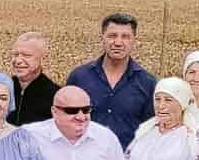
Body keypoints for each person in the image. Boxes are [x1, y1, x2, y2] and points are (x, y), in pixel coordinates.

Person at [63, 13, 153, 148]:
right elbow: (64, 121)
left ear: (134, 40)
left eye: (125, 37)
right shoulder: (79, 77)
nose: (118, 42)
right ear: (102, 38)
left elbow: (150, 131)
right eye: (112, 36)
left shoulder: (148, 83)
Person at [6, 31, 57, 126]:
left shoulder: (55, 96)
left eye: (26, 55)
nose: (18, 61)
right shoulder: (2, 89)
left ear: (43, 59)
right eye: (15, 55)